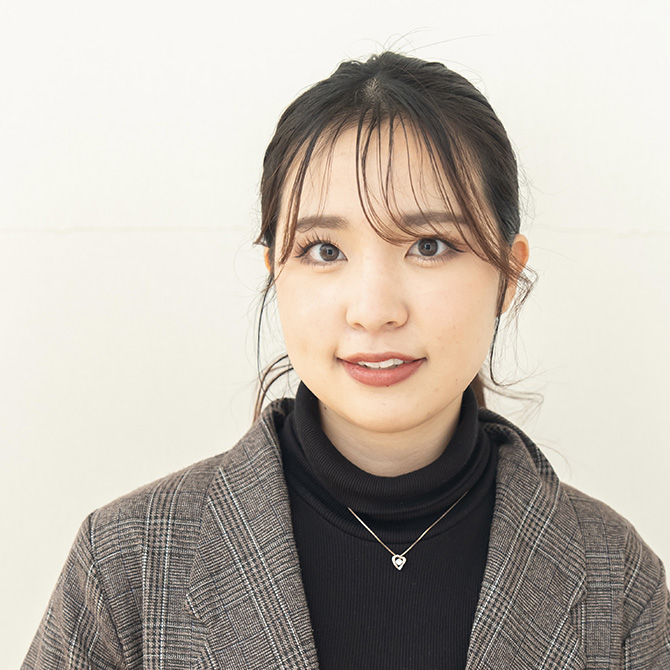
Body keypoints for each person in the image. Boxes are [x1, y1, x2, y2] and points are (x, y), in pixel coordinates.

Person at [23, 52, 669, 670]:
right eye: (325, 251)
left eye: (429, 245)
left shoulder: (616, 582)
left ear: (506, 274)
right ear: (276, 271)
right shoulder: (125, 566)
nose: (374, 310)